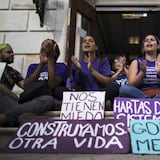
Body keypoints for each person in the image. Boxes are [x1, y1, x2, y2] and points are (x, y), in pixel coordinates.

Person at [0, 43, 54, 127]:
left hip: (11, 102)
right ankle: (25, 118)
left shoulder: (12, 72)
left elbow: (26, 86)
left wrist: (41, 64)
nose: (12, 54)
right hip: (3, 99)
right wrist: (13, 95)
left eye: (12, 52)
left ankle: (8, 117)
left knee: (47, 99)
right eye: (8, 52)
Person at [69, 35, 119, 110]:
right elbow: (76, 87)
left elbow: (107, 82)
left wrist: (92, 70)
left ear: (96, 47)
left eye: (90, 41)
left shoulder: (103, 61)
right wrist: (79, 71)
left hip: (100, 96)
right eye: (84, 41)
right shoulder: (76, 64)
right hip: (83, 97)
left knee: (115, 87)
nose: (87, 43)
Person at [25, 39, 69, 109]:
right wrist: (41, 64)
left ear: (55, 52)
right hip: (34, 98)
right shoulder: (33, 67)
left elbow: (52, 84)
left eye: (48, 47)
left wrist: (50, 59)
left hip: (51, 98)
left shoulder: (61, 66)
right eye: (43, 46)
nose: (45, 49)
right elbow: (26, 87)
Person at [119, 34, 160, 98]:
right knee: (123, 89)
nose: (149, 41)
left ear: (158, 46)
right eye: (146, 40)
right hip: (141, 95)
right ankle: (150, 102)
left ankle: (150, 102)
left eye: (152, 40)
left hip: (158, 95)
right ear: (144, 47)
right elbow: (131, 85)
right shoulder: (136, 62)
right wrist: (142, 72)